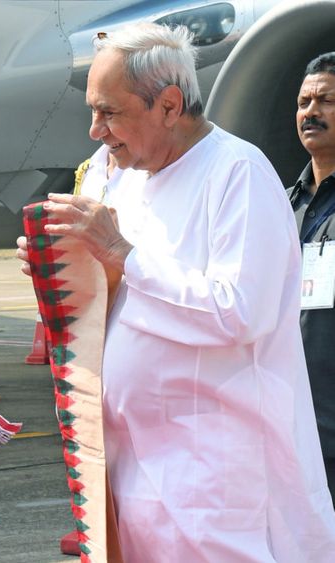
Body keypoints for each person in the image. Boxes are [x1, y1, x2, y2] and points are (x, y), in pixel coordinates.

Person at [17, 23, 335, 561]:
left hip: (214, 481)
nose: (96, 131)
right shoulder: (117, 177)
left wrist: (120, 253)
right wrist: (64, 270)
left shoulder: (237, 173)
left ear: (168, 105)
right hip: (128, 468)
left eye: (110, 112)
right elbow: (122, 296)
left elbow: (239, 314)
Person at [289, 52, 335, 505]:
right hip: (290, 414)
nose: (311, 112)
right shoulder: (280, 203)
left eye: (326, 100)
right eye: (304, 102)